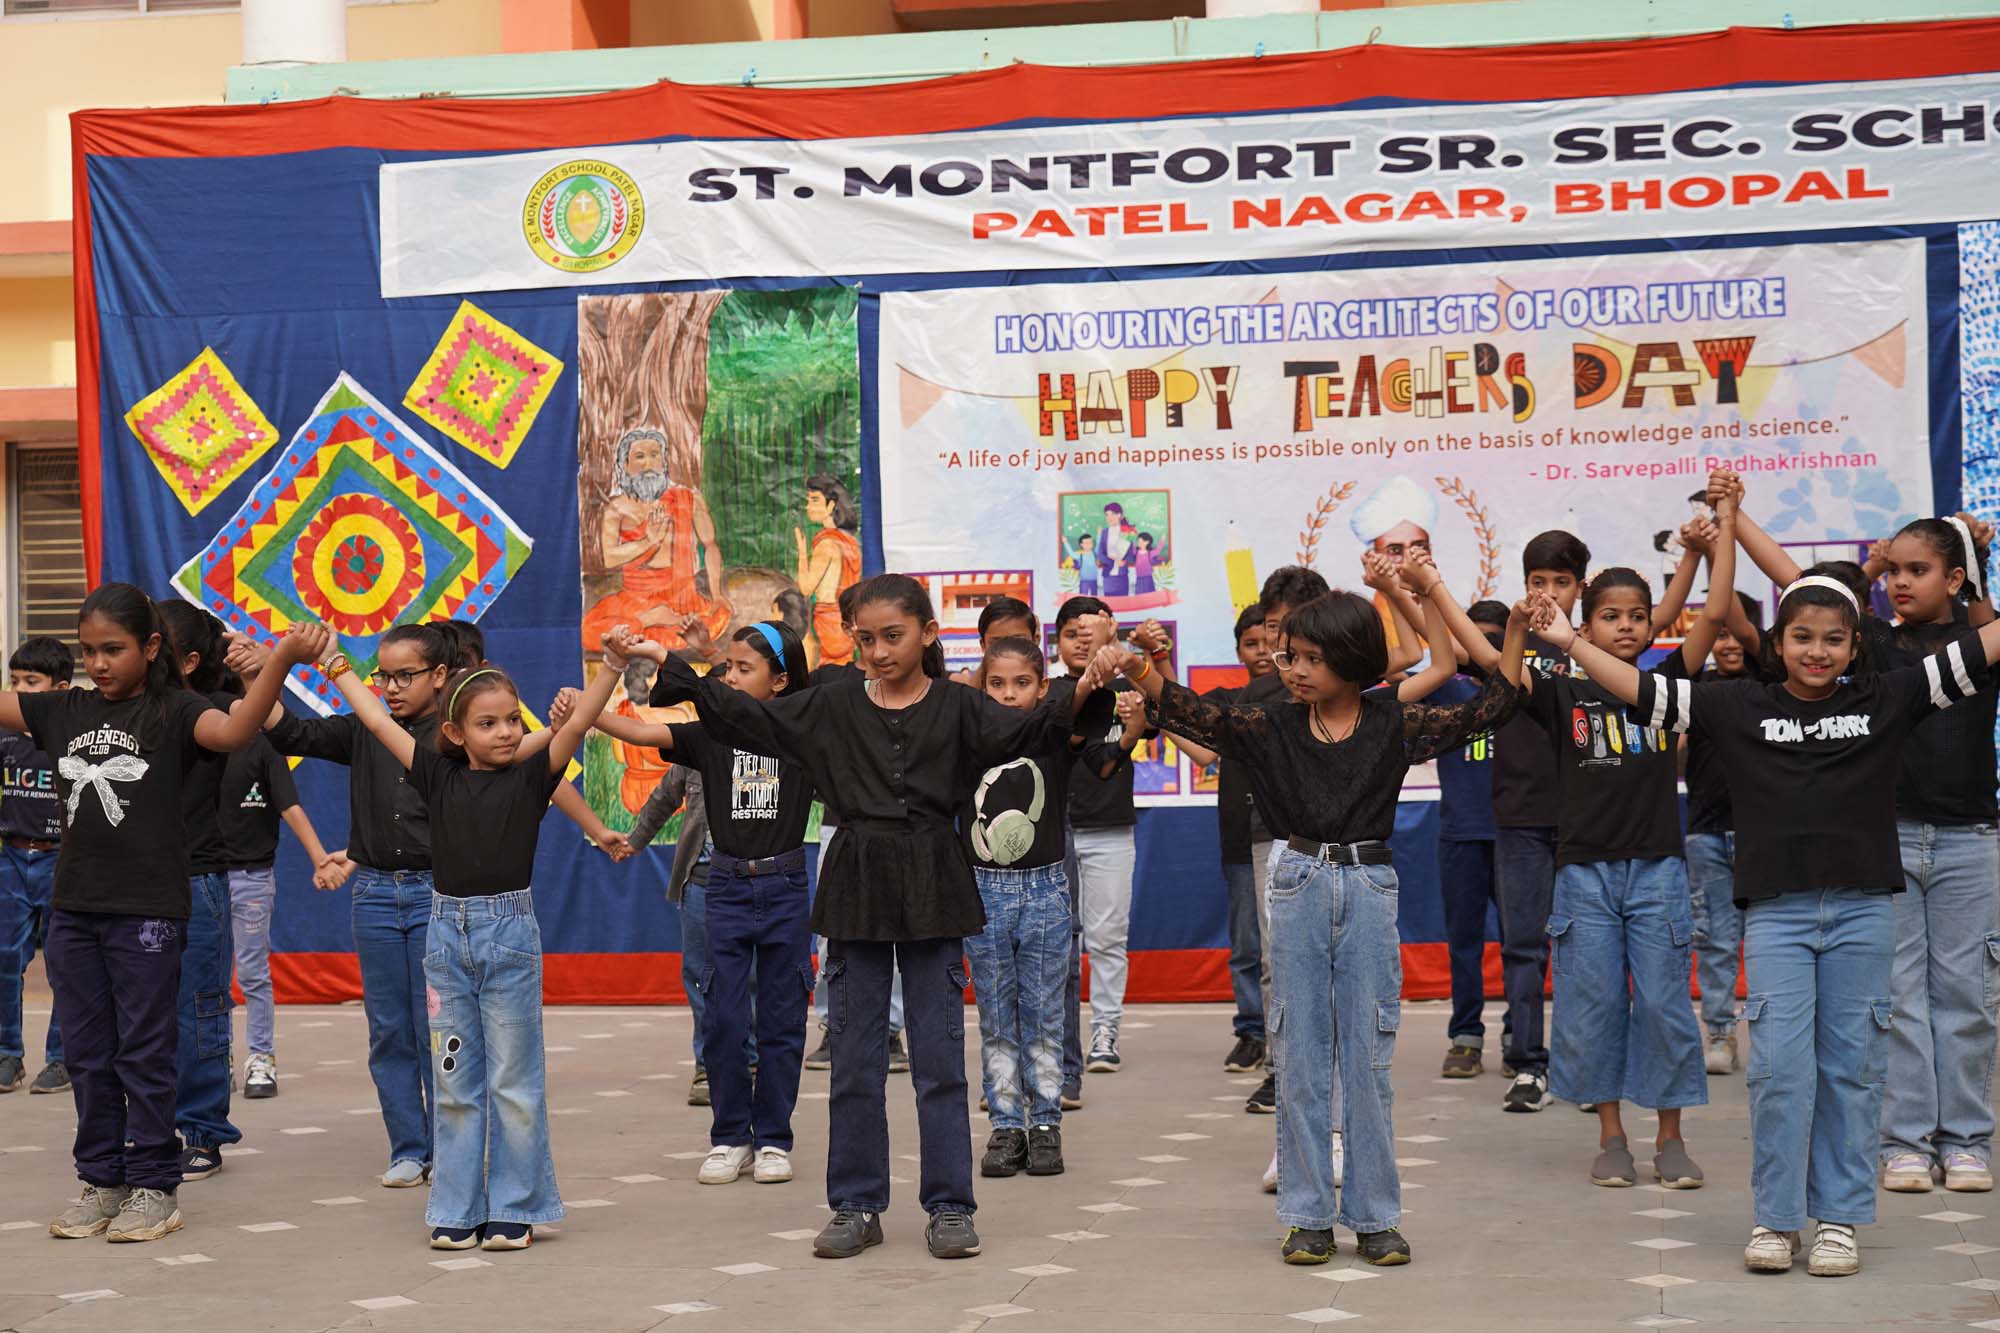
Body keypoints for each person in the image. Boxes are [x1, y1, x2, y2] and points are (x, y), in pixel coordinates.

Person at [648, 573, 1110, 1263]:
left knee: (939, 1059)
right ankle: (855, 1203)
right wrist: (679, 670)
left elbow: (1035, 730)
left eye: (893, 636)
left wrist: (1087, 685)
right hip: (856, 882)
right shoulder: (833, 703)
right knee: (855, 1060)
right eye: (865, 639)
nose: (879, 651)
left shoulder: (960, 706)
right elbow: (753, 719)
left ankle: (950, 1205)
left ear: (928, 633)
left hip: (934, 879)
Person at [1557, 567, 2000, 1277]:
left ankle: (1839, 1220)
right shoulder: (1738, 706)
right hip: (1776, 918)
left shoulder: (1888, 697)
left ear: (1855, 646)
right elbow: (1642, 690)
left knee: (1854, 1071)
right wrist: (1568, 643)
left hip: (1863, 913)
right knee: (1778, 1073)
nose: (1817, 652)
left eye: (1832, 640)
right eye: (1801, 637)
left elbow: (1977, 650)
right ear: (1778, 642)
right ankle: (1776, 1218)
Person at [1100, 579, 1525, 1267]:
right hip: (1296, 881)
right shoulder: (1270, 725)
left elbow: (1497, 704)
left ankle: (1376, 1216)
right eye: (1287, 656)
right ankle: (1306, 1216)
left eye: (1308, 658)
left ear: (1353, 660)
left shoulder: (1395, 721)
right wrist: (1138, 665)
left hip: (1370, 884)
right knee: (1298, 1051)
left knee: (1369, 1055)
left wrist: (1512, 629)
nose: (1292, 669)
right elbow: (1189, 712)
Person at [323, 624, 623, 1251]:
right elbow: (376, 722)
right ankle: (457, 1208)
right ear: (455, 733)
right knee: (454, 1077)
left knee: (513, 1080)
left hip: (507, 937)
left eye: (513, 720)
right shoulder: (435, 772)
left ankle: (515, 1206)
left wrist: (613, 666)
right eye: (488, 723)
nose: (506, 732)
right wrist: (339, 668)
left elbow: (576, 724)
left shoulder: (531, 776)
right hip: (445, 940)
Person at [30, 586, 315, 1243]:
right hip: (74, 911)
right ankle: (102, 1180)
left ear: (151, 646)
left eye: (113, 649)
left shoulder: (178, 710)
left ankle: (155, 1186)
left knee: (145, 1051)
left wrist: (280, 660)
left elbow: (237, 730)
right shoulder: (65, 708)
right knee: (89, 1054)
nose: (98, 663)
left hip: (148, 912)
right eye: (88, 651)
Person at [1512, 488, 1737, 1192]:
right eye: (1610, 616)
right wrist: (1513, 622)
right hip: (1584, 874)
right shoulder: (1563, 690)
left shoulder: (1666, 685)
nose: (1627, 626)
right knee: (1594, 1005)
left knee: (1666, 1004)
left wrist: (1723, 530)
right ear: (1585, 623)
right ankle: (1611, 1134)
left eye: (1638, 616)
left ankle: (1670, 1135)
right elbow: (1503, 670)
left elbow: (1715, 611)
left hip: (1659, 871)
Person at [590, 622, 817, 1187]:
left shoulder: (802, 731)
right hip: (726, 888)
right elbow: (636, 731)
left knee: (782, 1019)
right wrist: (586, 705)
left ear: (780, 680)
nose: (730, 677)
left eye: (743, 668)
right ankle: (730, 1137)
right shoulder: (710, 736)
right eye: (727, 668)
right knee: (723, 1019)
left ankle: (773, 1139)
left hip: (785, 886)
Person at [253, 622, 456, 1189]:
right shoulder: (363, 729)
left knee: (438, 1025)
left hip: (436, 893)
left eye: (405, 676)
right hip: (374, 895)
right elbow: (289, 732)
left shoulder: (454, 736)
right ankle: (409, 1148)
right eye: (382, 676)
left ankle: (452, 1149)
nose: (390, 688)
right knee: (389, 1028)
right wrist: (263, 672)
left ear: (440, 676)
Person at [1869, 514, 2000, 1195]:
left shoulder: (1981, 645)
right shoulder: (1875, 646)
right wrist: (1732, 519)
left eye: (1916, 570)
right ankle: (1905, 1143)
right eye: (1893, 570)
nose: (1900, 582)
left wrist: (1978, 558)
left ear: (1953, 579)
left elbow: (1988, 620)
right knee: (1899, 997)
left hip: (1970, 840)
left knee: (1968, 997)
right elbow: (1801, 584)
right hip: (1889, 836)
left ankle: (1968, 1141)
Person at [965, 636, 1120, 1180]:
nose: (1009, 694)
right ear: (980, 686)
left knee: (1044, 1016)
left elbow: (1085, 709)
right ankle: (1007, 1126)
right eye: (996, 683)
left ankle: (1046, 1125)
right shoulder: (967, 735)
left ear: (1042, 687)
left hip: (1046, 892)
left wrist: (1090, 677)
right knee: (996, 1018)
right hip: (984, 893)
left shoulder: (1055, 734)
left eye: (1022, 683)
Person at [1487, 529, 1591, 1113]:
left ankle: (1583, 1065)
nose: (1549, 592)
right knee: (1524, 946)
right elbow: (1464, 650)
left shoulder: (1594, 644)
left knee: (1586, 949)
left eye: (1562, 582)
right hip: (1521, 818)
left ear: (1582, 587)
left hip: (1587, 819)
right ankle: (1528, 1063)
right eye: (1538, 581)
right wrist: (1424, 588)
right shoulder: (1513, 646)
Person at [154, 602, 244, 1183]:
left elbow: (246, 716)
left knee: (200, 1008)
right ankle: (149, 1125)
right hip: (134, 883)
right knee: (140, 1014)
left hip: (196, 879)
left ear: (186, 660)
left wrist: (252, 662)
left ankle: (203, 1130)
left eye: (152, 642)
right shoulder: (119, 710)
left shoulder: (208, 709)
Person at [804, 585, 907, 1075]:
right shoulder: (830, 683)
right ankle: (834, 1025)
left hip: (904, 831)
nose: (878, 644)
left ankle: (890, 1030)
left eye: (891, 631)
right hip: (840, 826)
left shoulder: (917, 684)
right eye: (864, 629)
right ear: (849, 629)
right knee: (834, 933)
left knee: (902, 931)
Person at [1053, 596, 1154, 1075]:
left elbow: (1159, 715)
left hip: (1109, 830)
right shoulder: (1049, 693)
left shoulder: (1126, 688)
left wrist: (1120, 661)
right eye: (1071, 634)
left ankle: (1105, 1030)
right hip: (1052, 835)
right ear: (1055, 642)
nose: (1081, 642)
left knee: (1108, 937)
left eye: (1090, 633)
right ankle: (1057, 1034)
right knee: (1056, 942)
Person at [218, 718, 334, 1100]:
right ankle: (215, 1059)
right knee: (207, 976)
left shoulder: (264, 747)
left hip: (250, 877)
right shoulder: (199, 740)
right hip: (202, 877)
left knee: (252, 972)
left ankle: (261, 1057)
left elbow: (290, 807)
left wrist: (320, 859)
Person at [1430, 601, 1510, 1079]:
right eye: (1472, 636)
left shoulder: (1524, 688)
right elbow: (1423, 648)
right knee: (1464, 943)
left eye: (1493, 637)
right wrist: (1415, 593)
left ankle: (1521, 1034)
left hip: (1518, 835)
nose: (1482, 646)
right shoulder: (1447, 688)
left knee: (1522, 943)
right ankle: (1466, 1036)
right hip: (1461, 833)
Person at [582, 425, 732, 653]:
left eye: (655, 455)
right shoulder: (617, 508)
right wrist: (649, 541)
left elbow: (710, 545)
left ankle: (658, 620)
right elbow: (609, 558)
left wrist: (717, 593)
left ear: (664, 462)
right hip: (636, 599)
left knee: (711, 620)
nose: (648, 463)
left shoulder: (688, 498)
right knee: (590, 631)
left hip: (681, 599)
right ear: (625, 465)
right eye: (639, 456)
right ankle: (649, 619)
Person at [0, 636, 70, 1096]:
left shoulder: (73, 739)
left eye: (31, 682)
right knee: (5, 957)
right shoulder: (4, 734)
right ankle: (8, 1053)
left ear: (60, 689)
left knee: (66, 963)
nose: (19, 690)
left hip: (62, 859)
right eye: (14, 681)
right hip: (11, 857)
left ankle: (63, 1058)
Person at [796, 473, 862, 668]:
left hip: (829, 622)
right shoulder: (850, 542)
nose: (809, 507)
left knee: (829, 673)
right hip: (847, 620)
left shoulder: (827, 544)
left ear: (831, 505)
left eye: (815, 500)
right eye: (808, 500)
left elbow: (806, 588)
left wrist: (802, 553)